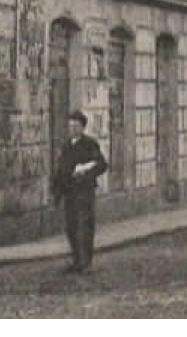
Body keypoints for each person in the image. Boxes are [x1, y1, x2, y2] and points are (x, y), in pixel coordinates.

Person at [51, 109, 108, 273]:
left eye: (76, 126)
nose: (73, 129)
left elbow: (102, 164)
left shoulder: (90, 144)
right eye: (70, 126)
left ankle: (86, 262)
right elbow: (61, 170)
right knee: (71, 227)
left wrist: (86, 170)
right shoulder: (66, 146)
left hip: (85, 192)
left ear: (83, 127)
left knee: (85, 226)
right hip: (69, 192)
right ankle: (77, 260)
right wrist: (56, 191)